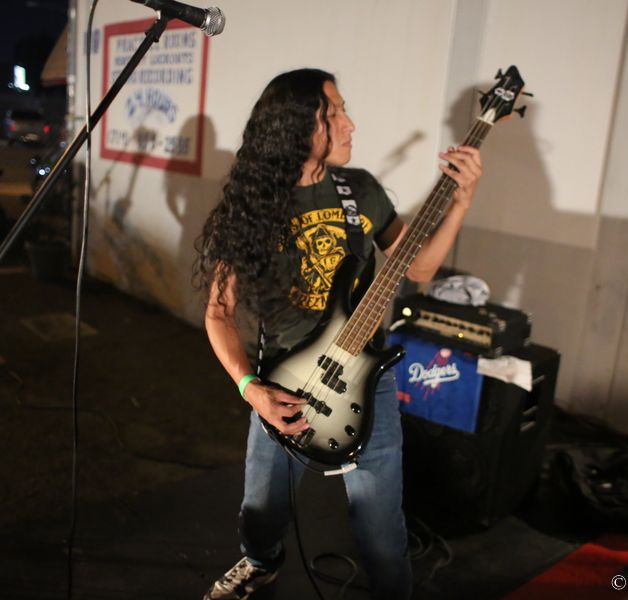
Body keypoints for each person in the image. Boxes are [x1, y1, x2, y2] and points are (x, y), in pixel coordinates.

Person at [197, 68, 482, 600]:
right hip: (283, 384)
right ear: (294, 127)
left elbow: (418, 267)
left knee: (381, 532)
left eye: (344, 110)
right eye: (334, 113)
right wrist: (250, 389)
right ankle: (260, 563)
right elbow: (219, 313)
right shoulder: (253, 205)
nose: (350, 123)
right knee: (261, 512)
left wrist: (461, 201)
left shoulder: (360, 191)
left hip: (367, 380)